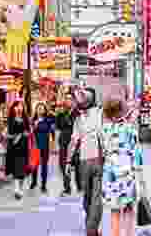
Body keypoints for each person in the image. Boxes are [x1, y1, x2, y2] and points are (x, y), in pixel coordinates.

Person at [101, 98, 143, 236]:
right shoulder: (130, 129)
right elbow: (137, 156)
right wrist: (140, 178)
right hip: (127, 175)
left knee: (114, 211)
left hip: (110, 175)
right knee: (129, 210)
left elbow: (103, 151)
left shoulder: (104, 130)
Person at [67, 88, 104, 236]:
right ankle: (92, 226)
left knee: (88, 197)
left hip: (85, 161)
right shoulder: (100, 114)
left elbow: (73, 141)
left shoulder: (80, 118)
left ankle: (91, 228)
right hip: (97, 160)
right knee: (95, 197)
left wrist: (68, 162)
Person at [5, 100, 31, 199]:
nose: (19, 108)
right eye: (16, 106)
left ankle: (20, 187)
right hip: (14, 147)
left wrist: (25, 134)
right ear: (13, 108)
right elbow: (8, 134)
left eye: (20, 106)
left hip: (23, 147)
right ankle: (16, 189)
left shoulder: (25, 119)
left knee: (22, 168)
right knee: (16, 168)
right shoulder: (10, 119)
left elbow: (29, 132)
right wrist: (12, 137)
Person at [55, 100, 81, 196]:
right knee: (64, 165)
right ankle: (67, 188)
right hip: (64, 143)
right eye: (66, 99)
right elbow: (57, 129)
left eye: (70, 99)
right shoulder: (61, 114)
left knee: (78, 165)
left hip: (76, 142)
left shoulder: (78, 113)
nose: (68, 102)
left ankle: (80, 186)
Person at [30, 102, 54, 193]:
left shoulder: (48, 120)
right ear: (36, 110)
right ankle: (34, 182)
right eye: (38, 108)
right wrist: (34, 125)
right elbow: (30, 132)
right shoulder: (33, 120)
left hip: (45, 145)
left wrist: (52, 141)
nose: (40, 110)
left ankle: (43, 185)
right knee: (34, 164)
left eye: (42, 108)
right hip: (35, 145)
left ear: (44, 110)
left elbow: (51, 132)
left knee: (44, 165)